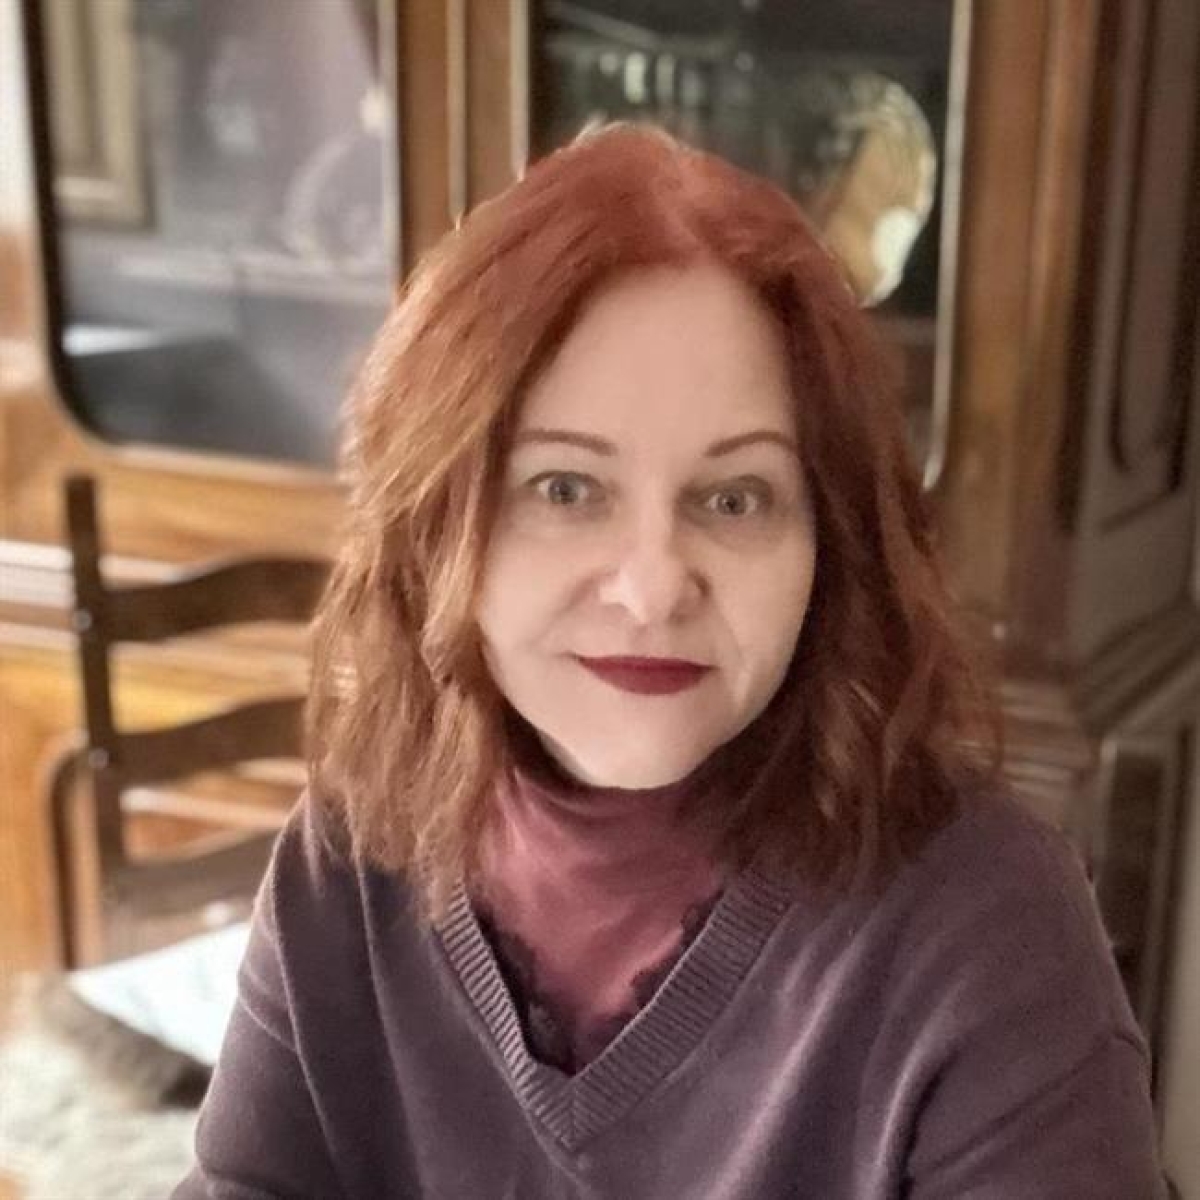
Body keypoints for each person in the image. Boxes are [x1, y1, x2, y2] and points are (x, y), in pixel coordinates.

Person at [174, 124, 1167, 1198]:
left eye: (734, 499)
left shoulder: (987, 923)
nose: (652, 588)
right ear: (438, 523)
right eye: (565, 489)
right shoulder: (353, 849)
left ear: (831, 546)